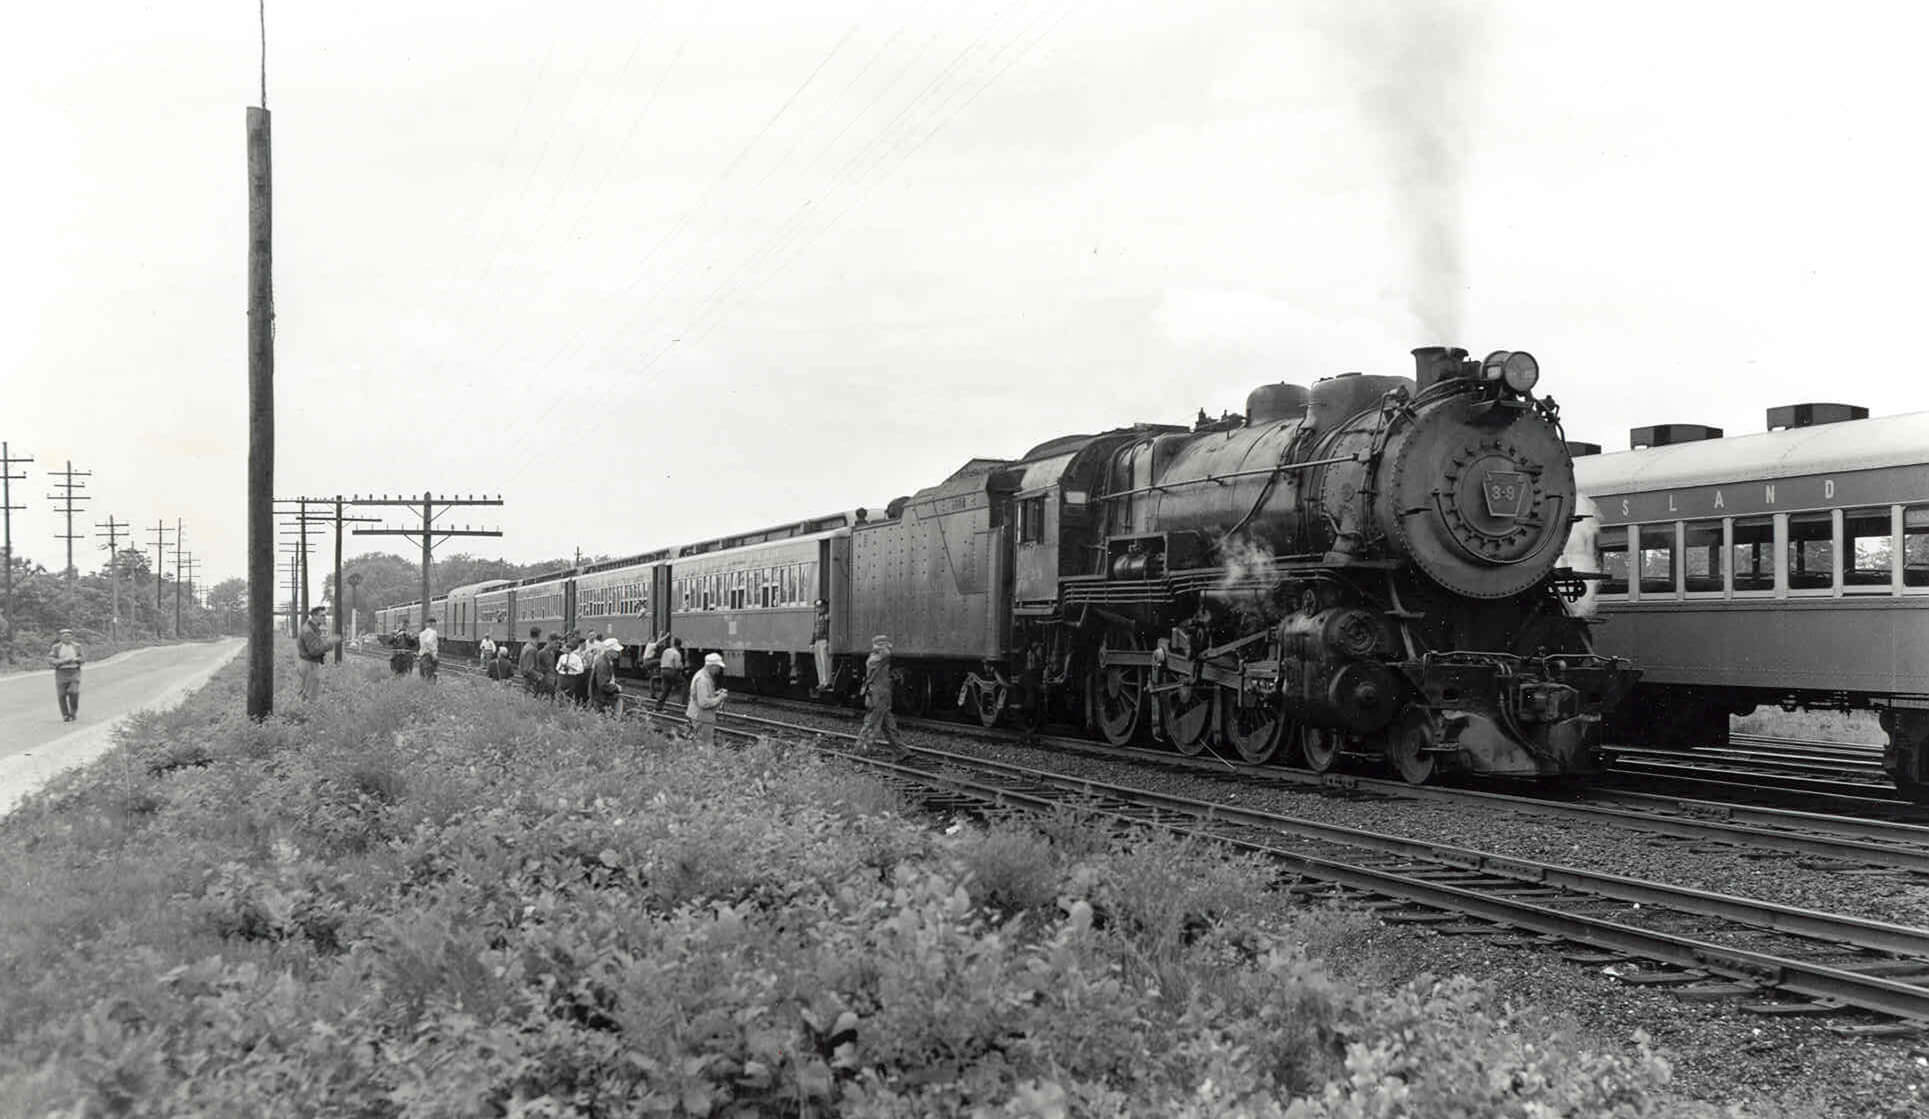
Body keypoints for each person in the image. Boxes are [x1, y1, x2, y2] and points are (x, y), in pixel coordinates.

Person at [855, 634, 909, 760]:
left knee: (890, 727)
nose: (889, 648)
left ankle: (901, 752)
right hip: (877, 697)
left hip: (883, 697)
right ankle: (859, 753)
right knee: (871, 725)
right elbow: (887, 654)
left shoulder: (879, 659)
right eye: (886, 645)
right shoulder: (875, 659)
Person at [296, 606, 341, 702]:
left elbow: (315, 646)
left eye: (325, 615)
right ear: (314, 616)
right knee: (311, 697)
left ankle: (301, 708)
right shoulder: (308, 631)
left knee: (305, 693)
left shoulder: (311, 629)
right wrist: (330, 642)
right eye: (322, 615)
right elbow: (314, 651)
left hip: (307, 663)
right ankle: (307, 710)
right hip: (309, 664)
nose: (325, 617)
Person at [685, 652, 728, 745]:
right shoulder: (703, 680)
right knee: (705, 746)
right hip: (702, 719)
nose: (719, 670)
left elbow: (701, 695)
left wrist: (715, 693)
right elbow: (704, 703)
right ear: (711, 666)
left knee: (698, 744)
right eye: (718, 667)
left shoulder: (703, 676)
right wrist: (720, 697)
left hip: (700, 717)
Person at [47, 628, 84, 722]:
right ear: (60, 637)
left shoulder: (77, 646)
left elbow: (83, 658)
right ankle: (65, 715)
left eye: (69, 636)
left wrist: (76, 659)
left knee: (74, 691)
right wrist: (62, 661)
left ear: (72, 637)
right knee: (62, 694)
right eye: (65, 636)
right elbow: (50, 659)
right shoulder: (56, 647)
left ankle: (73, 712)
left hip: (74, 671)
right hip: (61, 672)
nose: (67, 638)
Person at [589, 639, 623, 715]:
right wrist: (616, 688)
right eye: (616, 651)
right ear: (609, 651)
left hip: (602, 698)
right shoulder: (603, 663)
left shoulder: (607, 661)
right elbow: (603, 685)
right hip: (601, 699)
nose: (618, 653)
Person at [655, 636, 685, 712]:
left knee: (666, 689)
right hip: (671, 671)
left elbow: (662, 661)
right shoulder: (677, 653)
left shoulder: (666, 651)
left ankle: (658, 707)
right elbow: (677, 666)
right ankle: (685, 704)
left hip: (663, 670)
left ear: (673, 644)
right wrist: (682, 667)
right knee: (684, 684)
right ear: (679, 646)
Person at [556, 636, 587, 706]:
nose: (564, 649)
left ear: (570, 649)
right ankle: (560, 706)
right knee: (560, 694)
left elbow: (581, 670)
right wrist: (561, 666)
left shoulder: (576, 658)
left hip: (571, 678)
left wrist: (571, 667)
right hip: (562, 677)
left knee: (570, 695)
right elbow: (557, 667)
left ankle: (569, 707)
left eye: (566, 648)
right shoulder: (562, 657)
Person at [810, 599, 832, 695]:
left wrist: (829, 641)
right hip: (817, 641)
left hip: (824, 640)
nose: (819, 609)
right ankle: (821, 682)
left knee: (825, 662)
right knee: (819, 663)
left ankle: (826, 681)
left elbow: (828, 630)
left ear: (825, 607)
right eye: (818, 607)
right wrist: (812, 642)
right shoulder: (818, 618)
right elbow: (815, 631)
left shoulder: (827, 617)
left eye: (821, 607)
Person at [535, 632, 560, 699]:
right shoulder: (541, 653)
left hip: (551, 684)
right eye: (556, 643)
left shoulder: (553, 653)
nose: (557, 645)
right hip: (543, 685)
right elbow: (537, 667)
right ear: (549, 641)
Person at [518, 627, 542, 693]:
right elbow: (529, 669)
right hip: (530, 682)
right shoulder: (532, 649)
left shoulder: (526, 646)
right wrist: (539, 676)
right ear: (538, 636)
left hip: (526, 680)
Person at [417, 618, 441, 682]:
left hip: (422, 657)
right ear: (433, 624)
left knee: (423, 678)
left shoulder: (421, 633)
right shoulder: (433, 632)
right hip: (429, 657)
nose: (435, 626)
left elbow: (422, 646)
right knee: (431, 678)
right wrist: (433, 655)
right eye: (435, 624)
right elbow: (428, 642)